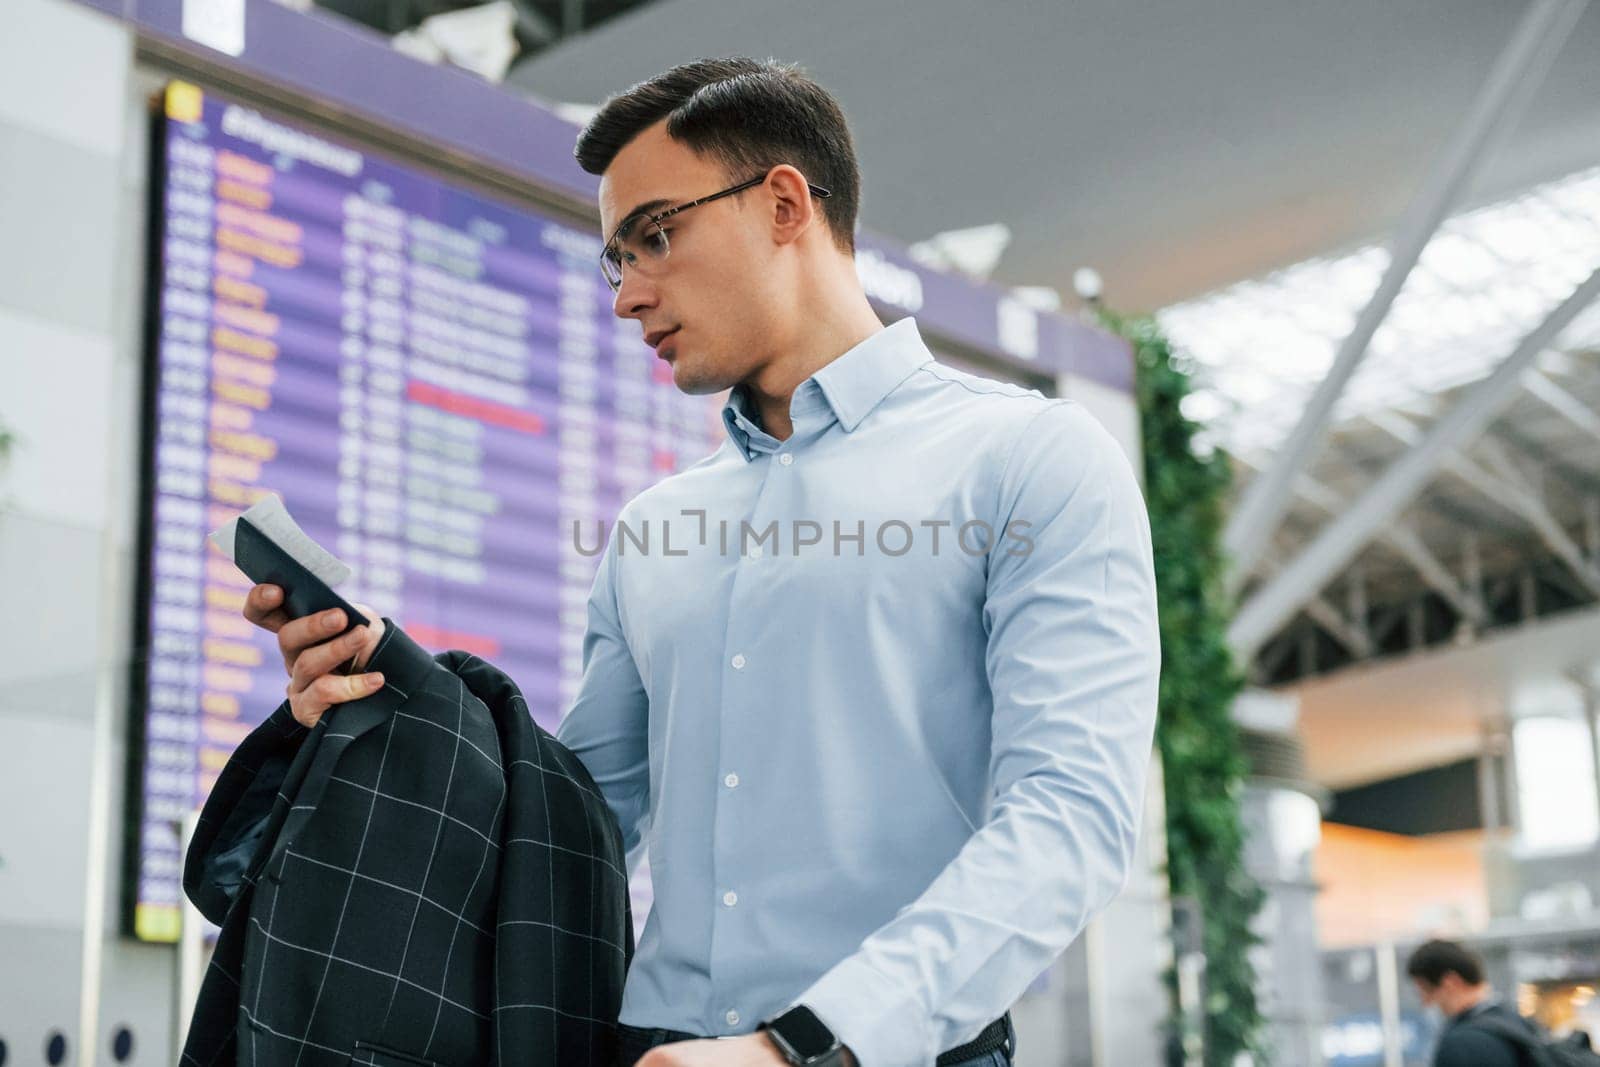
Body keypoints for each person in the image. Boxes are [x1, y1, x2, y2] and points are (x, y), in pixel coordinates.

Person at [245, 57, 1160, 1067]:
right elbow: (576, 823)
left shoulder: (1029, 458)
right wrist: (391, 707)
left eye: (655, 237)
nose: (628, 294)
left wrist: (801, 1046)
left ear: (780, 203)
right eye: (616, 259)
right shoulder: (652, 528)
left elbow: (1070, 818)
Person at [1407, 939, 1538, 1067]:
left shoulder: (1462, 1044)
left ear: (1450, 983)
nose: (1425, 1003)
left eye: (1425, 991)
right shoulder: (1517, 1022)